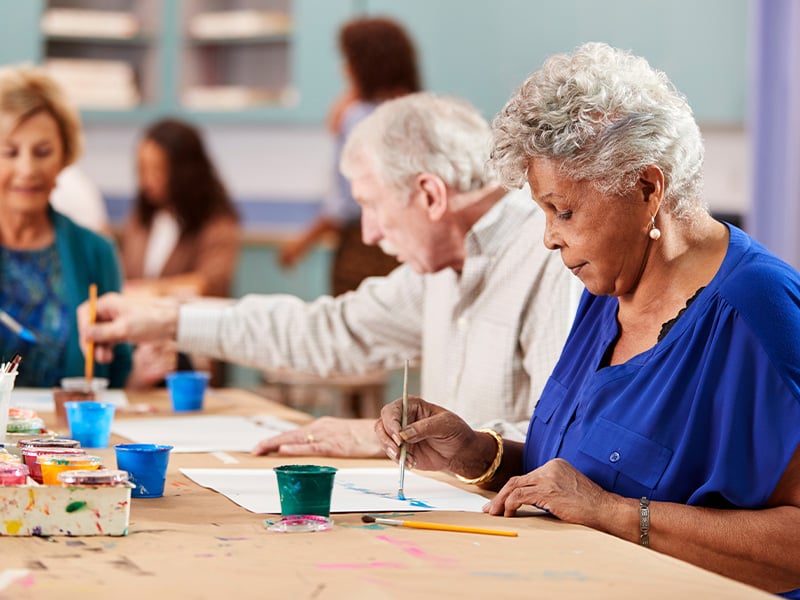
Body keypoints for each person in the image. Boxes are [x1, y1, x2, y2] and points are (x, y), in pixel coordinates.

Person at [375, 43, 800, 597]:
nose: (549, 237)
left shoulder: (758, 309)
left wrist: (617, 515)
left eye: (564, 211)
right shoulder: (607, 289)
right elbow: (582, 476)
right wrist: (478, 453)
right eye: (544, 212)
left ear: (649, 189)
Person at [78, 92, 581, 456]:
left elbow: (556, 437)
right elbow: (328, 330)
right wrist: (167, 320)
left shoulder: (551, 261)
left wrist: (381, 436)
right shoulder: (439, 269)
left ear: (430, 195)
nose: (368, 233)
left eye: (370, 204)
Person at [0, 65, 131, 387]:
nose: (27, 169)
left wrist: (147, 370)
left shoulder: (95, 252)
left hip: (69, 437)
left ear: (64, 158)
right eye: (10, 152)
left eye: (43, 152)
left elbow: (119, 376)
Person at [278, 16, 421, 296]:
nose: (343, 68)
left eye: (348, 59)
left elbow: (348, 202)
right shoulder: (418, 111)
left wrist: (303, 241)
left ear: (365, 65)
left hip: (362, 250)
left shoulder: (357, 117)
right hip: (409, 246)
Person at [119, 118, 241, 389]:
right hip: (141, 353)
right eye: (142, 169)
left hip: (189, 356)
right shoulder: (142, 220)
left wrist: (147, 291)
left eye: (157, 170)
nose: (147, 180)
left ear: (184, 171)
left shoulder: (217, 222)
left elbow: (208, 283)